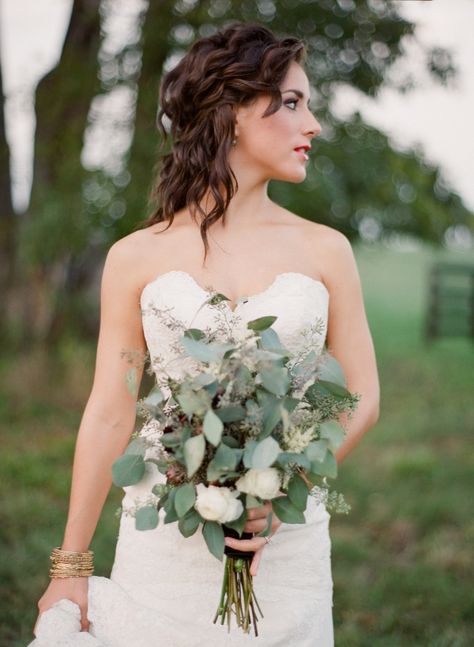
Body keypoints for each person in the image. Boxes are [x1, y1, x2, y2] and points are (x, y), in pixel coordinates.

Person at [30, 21, 379, 647]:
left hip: (288, 545)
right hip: (162, 542)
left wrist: (279, 493)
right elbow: (111, 409)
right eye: (294, 103)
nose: (314, 126)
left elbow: (362, 396)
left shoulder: (328, 250)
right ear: (234, 112)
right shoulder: (136, 256)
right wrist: (71, 567)